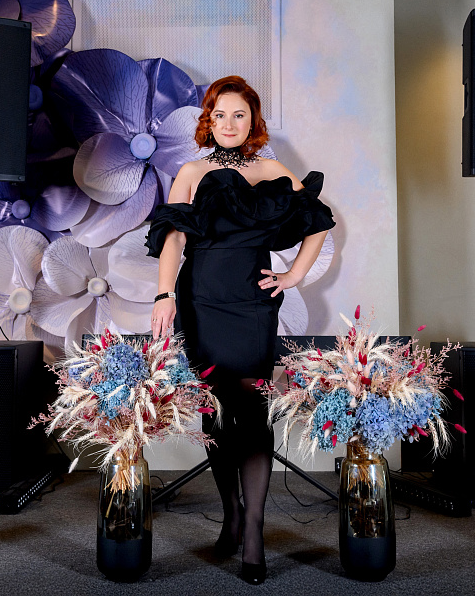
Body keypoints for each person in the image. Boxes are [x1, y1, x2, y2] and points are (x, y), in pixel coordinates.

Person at [146, 76, 334, 585]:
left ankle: (253, 529)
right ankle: (230, 511)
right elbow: (172, 240)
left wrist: (293, 276)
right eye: (221, 115)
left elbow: (318, 222)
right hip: (201, 300)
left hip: (252, 303)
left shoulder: (271, 169)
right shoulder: (190, 171)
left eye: (240, 115)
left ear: (254, 122)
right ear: (208, 121)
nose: (229, 124)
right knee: (213, 408)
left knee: (251, 410)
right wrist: (164, 295)